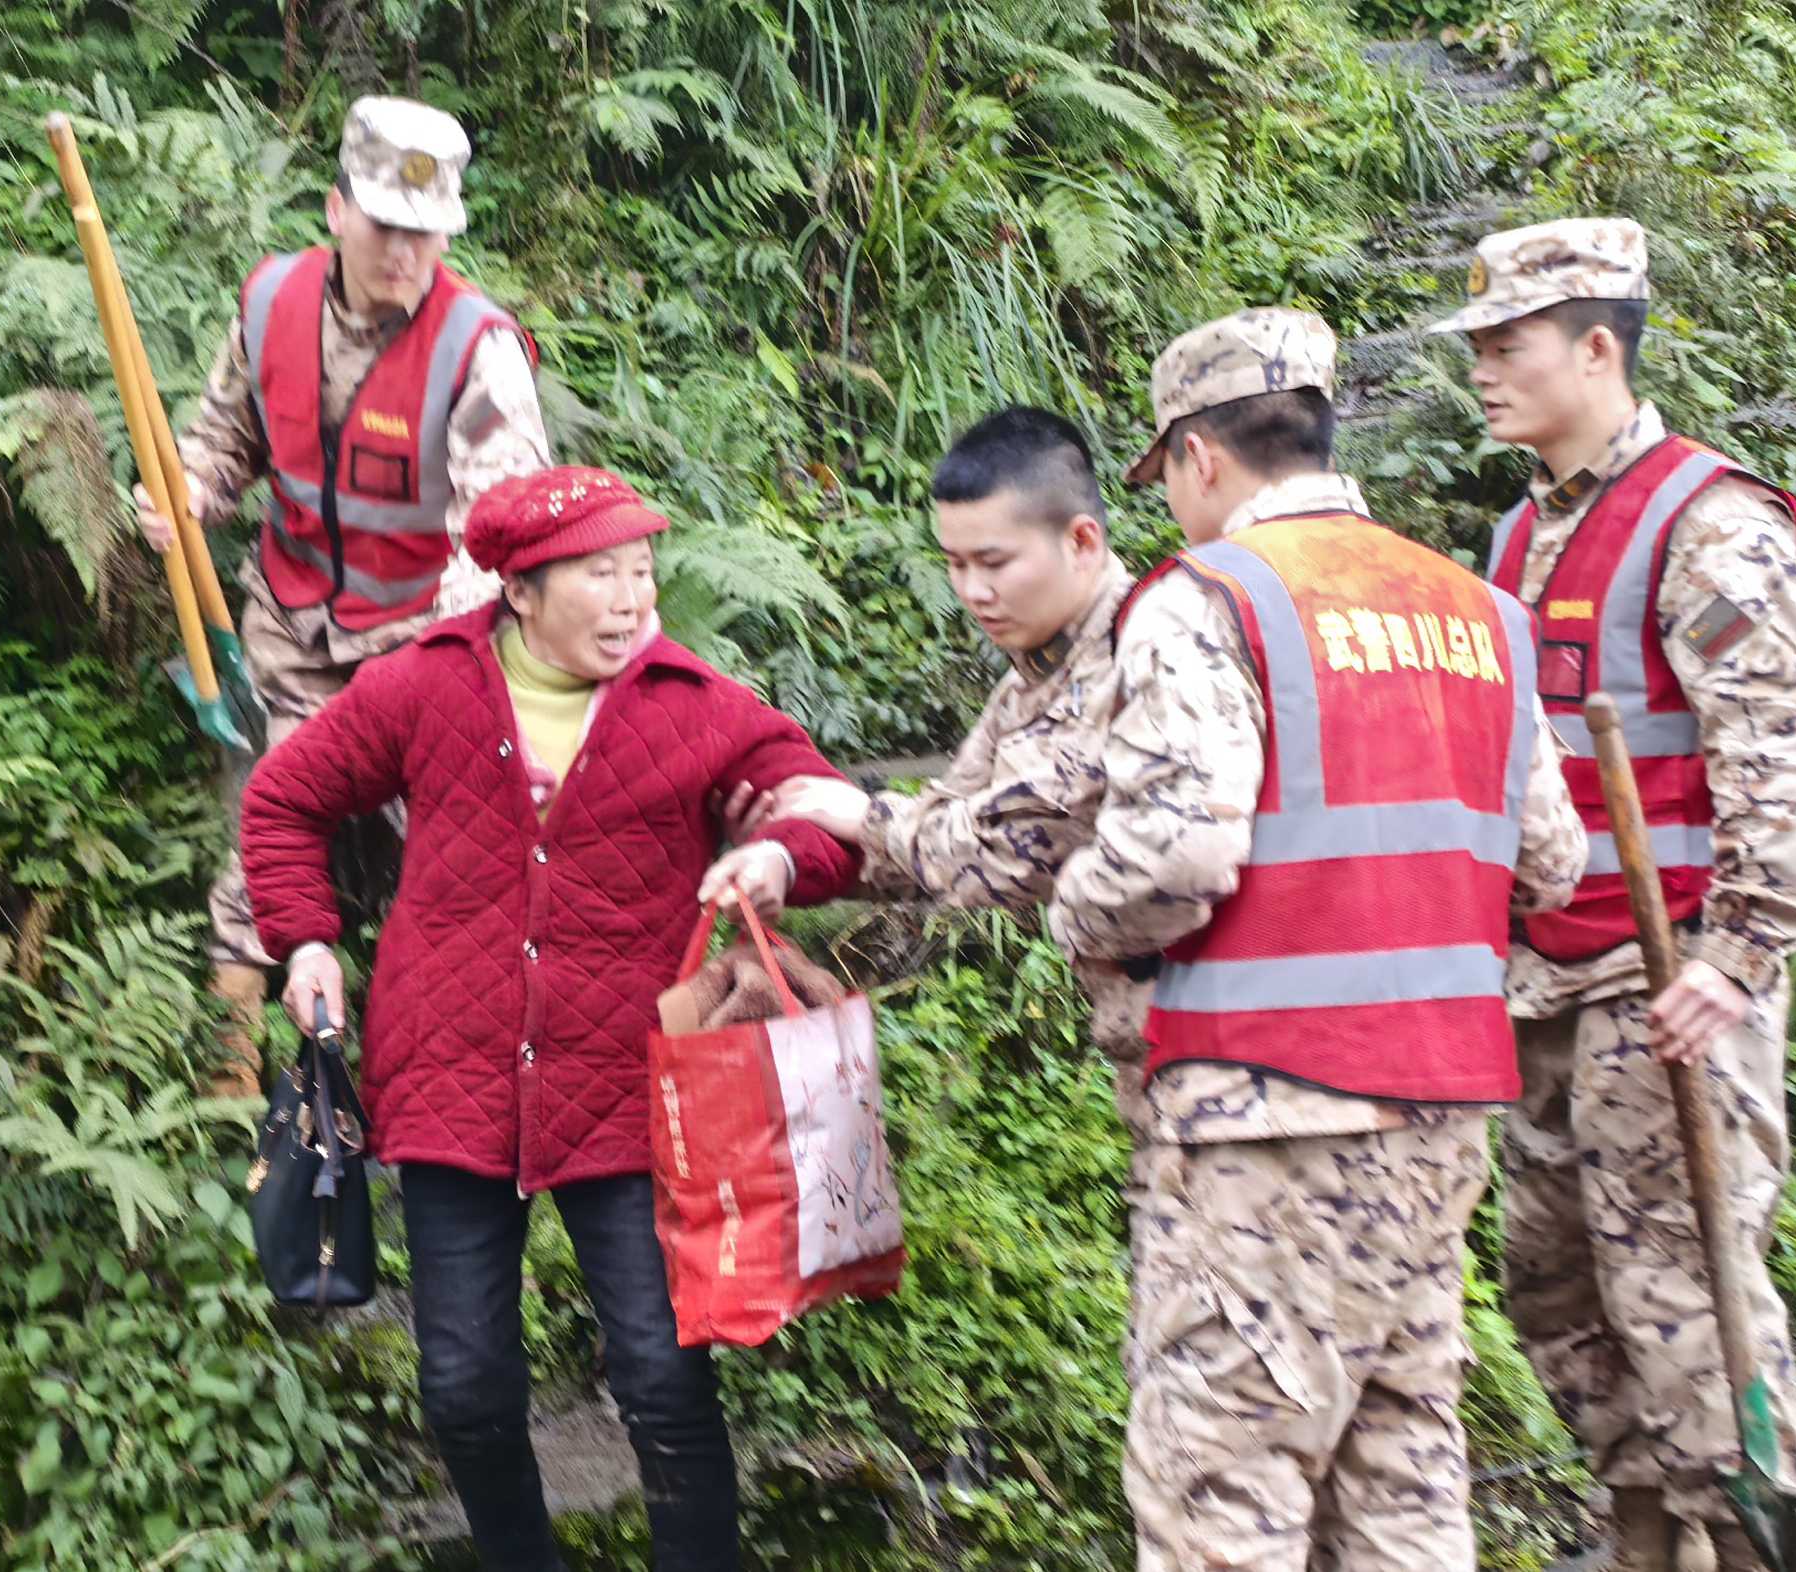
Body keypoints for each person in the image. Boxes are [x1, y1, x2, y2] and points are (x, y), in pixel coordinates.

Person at [240, 465, 859, 1571]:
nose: (631, 598)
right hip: (448, 1075)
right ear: (519, 590)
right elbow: (284, 795)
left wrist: (776, 851)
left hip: (627, 1087)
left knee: (665, 1381)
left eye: (641, 571)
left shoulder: (692, 704)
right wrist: (307, 935)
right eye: (600, 576)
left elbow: (816, 804)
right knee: (465, 1388)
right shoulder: (423, 686)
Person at [1049, 307, 1588, 1572]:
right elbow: (1553, 863)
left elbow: (1173, 859)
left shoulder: (1205, 599)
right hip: (1442, 1121)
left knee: (1221, 1496)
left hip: (1268, 1118)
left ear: (1197, 457)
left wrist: (1074, 909)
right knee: (1399, 1476)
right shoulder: (1477, 612)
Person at [1426, 218, 1796, 1572]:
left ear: (1596, 347)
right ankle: (1643, 1544)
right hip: (1542, 988)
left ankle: (1745, 1544)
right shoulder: (1515, 538)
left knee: (1688, 1314)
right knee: (1558, 1299)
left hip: (1666, 994)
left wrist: (1736, 958)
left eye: (1508, 343)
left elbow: (1781, 753)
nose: (1482, 370)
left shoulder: (1705, 520)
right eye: (1475, 346)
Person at [150, 95, 558, 1078]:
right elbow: (218, 444)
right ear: (336, 210)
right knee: (258, 854)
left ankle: (457, 1079)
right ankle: (231, 1091)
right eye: (385, 226)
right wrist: (190, 493)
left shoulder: (479, 350)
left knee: (465, 874)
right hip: (289, 631)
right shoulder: (269, 305)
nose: (404, 254)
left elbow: (504, 540)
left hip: (421, 646)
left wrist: (432, 675)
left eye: (427, 234)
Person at [729, 406, 1154, 1049]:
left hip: (1244, 1057)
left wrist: (863, 813)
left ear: (1083, 541)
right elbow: (938, 834)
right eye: (955, 564)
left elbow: (1003, 853)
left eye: (993, 562)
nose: (972, 590)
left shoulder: (1139, 653)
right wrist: (789, 857)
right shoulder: (1032, 679)